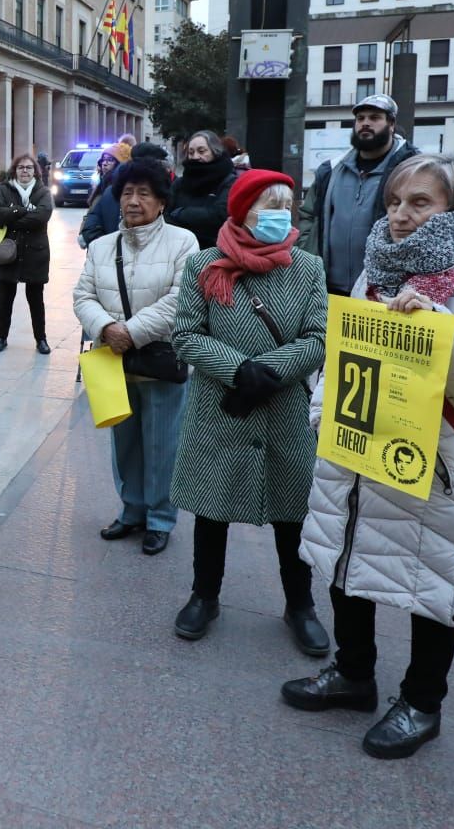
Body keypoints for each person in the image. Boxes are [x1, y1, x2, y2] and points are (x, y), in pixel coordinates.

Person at [286, 155, 454, 760]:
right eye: (395, 202)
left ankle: (423, 703)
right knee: (349, 566)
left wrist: (443, 327)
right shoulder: (379, 269)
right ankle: (353, 675)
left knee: (433, 583)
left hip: (439, 469)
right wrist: (322, 415)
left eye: (420, 203)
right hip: (358, 455)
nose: (400, 215)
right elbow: (348, 354)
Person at [169, 169, 329, 654]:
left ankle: (300, 605)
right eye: (268, 206)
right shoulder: (203, 264)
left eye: (287, 205)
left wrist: (269, 371)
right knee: (211, 509)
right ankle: (204, 595)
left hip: (283, 409)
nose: (280, 215)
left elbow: (320, 338)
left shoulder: (308, 268)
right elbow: (186, 334)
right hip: (221, 405)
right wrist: (239, 370)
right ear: (241, 212)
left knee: (291, 511)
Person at [72, 158, 199, 555]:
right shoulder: (100, 246)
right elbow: (83, 296)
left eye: (144, 193)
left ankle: (160, 518)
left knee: (162, 445)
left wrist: (132, 331)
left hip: (160, 360)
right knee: (123, 443)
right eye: (127, 192)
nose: (134, 200)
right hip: (113, 359)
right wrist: (106, 329)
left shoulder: (184, 242)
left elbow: (182, 298)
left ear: (161, 201)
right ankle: (131, 510)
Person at [299, 95, 421, 295]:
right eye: (360, 118)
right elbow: (308, 216)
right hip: (328, 289)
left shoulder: (413, 168)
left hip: (384, 291)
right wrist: (308, 254)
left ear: (391, 124)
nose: (365, 123)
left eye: (374, 118)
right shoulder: (330, 170)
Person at [0, 154, 53, 354]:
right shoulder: (4, 189)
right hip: (10, 252)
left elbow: (43, 216)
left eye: (29, 168)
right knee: (5, 298)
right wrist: (22, 211)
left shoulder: (43, 191)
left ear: (35, 171)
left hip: (36, 253)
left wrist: (12, 216)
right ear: (14, 171)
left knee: (36, 299)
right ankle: (1, 337)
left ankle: (41, 339)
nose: (24, 171)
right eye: (20, 168)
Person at [165, 131, 239, 250]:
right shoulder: (179, 183)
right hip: (179, 248)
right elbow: (166, 215)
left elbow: (220, 215)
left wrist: (181, 213)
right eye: (191, 152)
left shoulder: (229, 181)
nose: (195, 157)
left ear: (215, 152)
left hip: (215, 251)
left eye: (201, 151)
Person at [79, 142, 132, 248]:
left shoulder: (117, 189)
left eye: (110, 160)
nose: (105, 163)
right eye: (103, 159)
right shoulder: (102, 183)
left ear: (119, 164)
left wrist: (95, 238)